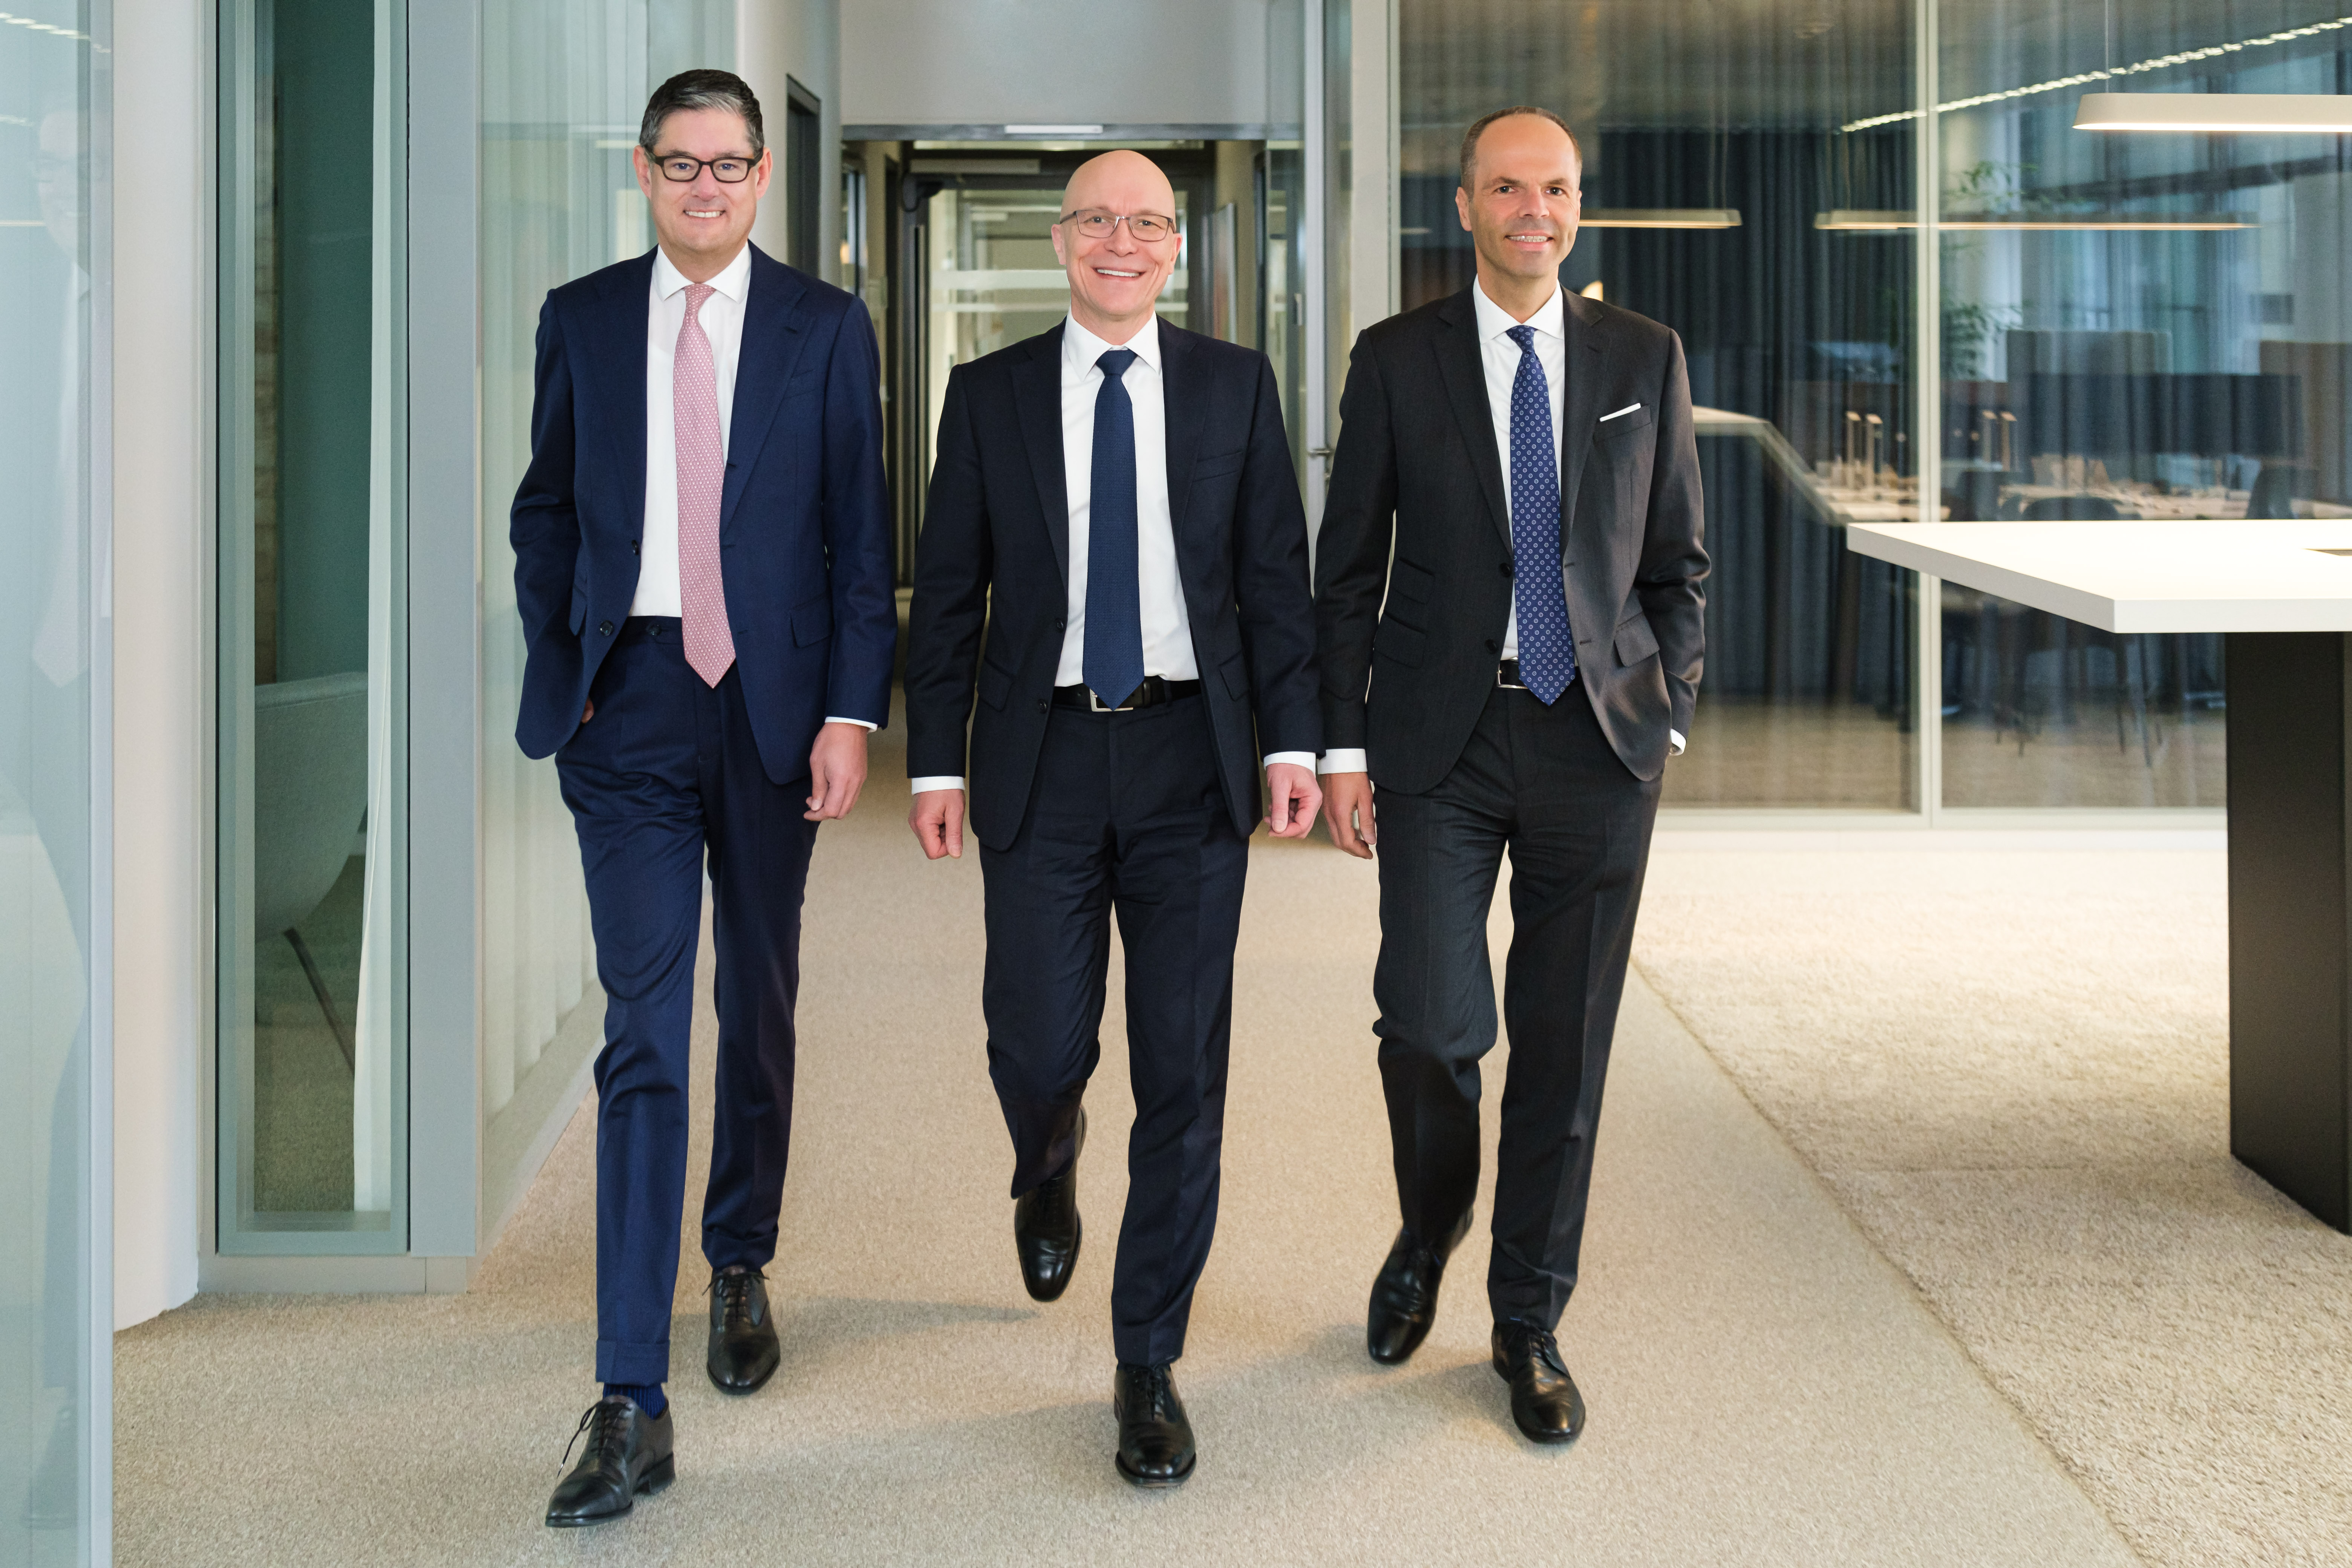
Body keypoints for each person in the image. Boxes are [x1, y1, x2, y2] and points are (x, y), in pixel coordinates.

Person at [509, 69, 894, 1526]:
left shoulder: (823, 325)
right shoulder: (584, 317)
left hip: (773, 708)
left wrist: (852, 711)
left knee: (762, 995)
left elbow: (861, 533)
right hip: (630, 709)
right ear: (645, 171)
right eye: (682, 165)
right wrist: (571, 656)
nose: (707, 188)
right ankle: (630, 1394)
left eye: (731, 166)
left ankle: (740, 1258)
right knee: (645, 1027)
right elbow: (546, 509)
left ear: (760, 178)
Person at [903, 150, 1321, 1488]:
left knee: (1184, 1068)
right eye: (1097, 220)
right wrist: (934, 766)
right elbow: (948, 591)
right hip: (1042, 757)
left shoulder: (1234, 385)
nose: (1122, 243)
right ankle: (1048, 1154)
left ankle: (1148, 1357)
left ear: (1176, 248)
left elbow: (1276, 580)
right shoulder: (988, 395)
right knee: (1036, 1041)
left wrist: (1295, 742)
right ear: (1060, 239)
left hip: (1193, 762)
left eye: (1147, 223)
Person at [1313, 106, 1706, 1446]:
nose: (1535, 210)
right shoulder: (1396, 358)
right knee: (1430, 1025)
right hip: (1442, 738)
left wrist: (1668, 714)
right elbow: (1346, 571)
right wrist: (1345, 746)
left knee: (1564, 1047)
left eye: (1557, 189)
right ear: (1467, 205)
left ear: (1578, 206)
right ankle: (1430, 1229)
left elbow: (1677, 562)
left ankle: (1527, 1320)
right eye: (1508, 188)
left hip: (1599, 741)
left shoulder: (1645, 356)